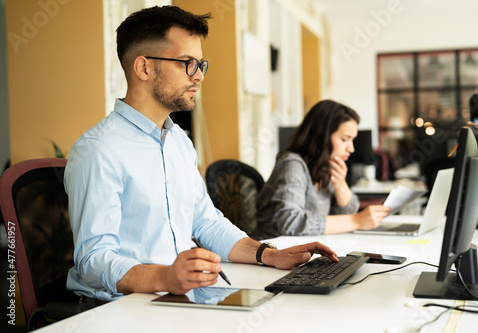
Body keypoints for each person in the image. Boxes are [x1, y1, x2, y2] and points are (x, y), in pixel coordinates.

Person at [63, 5, 337, 302]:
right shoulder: (98, 149)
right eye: (187, 63)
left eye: (200, 65)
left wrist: (267, 255)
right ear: (143, 68)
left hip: (183, 296)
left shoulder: (179, 141)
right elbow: (93, 261)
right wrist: (164, 276)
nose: (199, 76)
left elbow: (207, 222)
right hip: (125, 306)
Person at [256, 100, 391, 238]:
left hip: (305, 248)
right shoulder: (292, 164)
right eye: (345, 139)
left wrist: (341, 186)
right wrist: (355, 221)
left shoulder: (325, 166)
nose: (351, 148)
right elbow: (289, 222)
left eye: (352, 140)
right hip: (273, 250)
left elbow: (339, 218)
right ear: (322, 137)